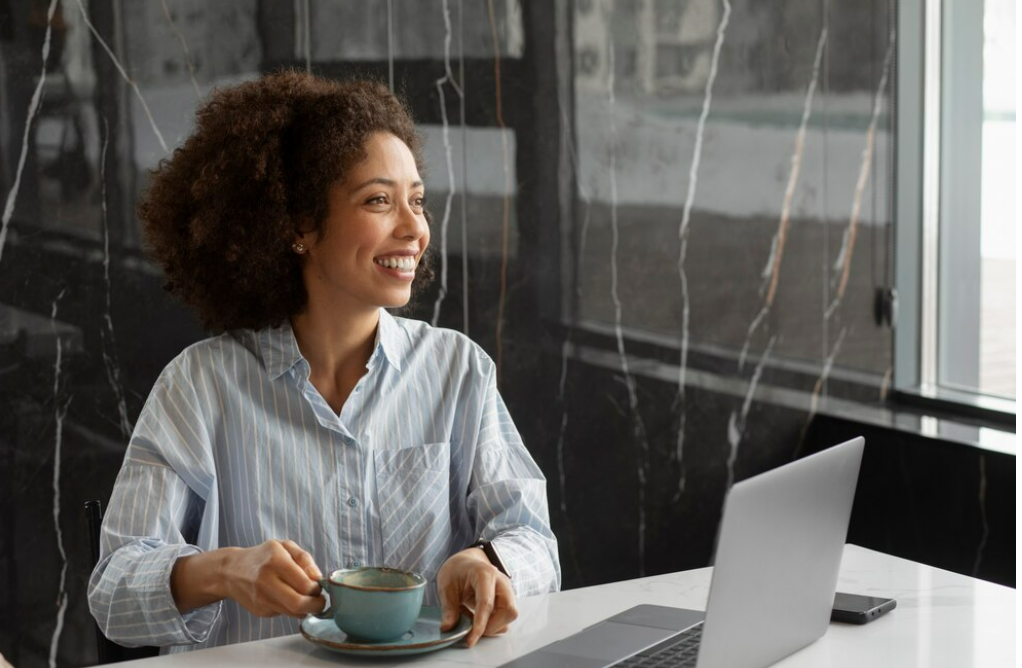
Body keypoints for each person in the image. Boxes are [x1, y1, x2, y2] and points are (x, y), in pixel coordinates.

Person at [87, 70, 560, 653]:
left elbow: (534, 541)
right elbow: (113, 590)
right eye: (379, 201)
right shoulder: (200, 385)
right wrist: (225, 572)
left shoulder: (457, 370)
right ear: (298, 227)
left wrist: (490, 562)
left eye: (417, 201)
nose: (415, 229)